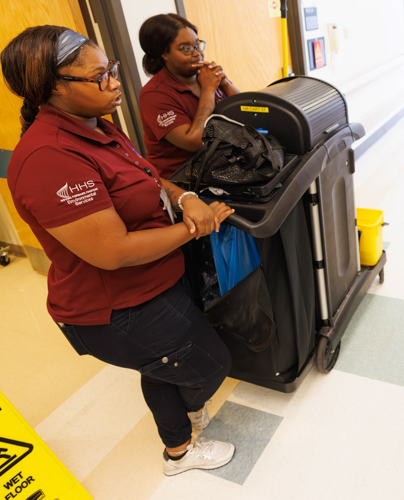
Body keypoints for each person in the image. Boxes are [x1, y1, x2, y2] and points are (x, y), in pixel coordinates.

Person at [2, 26, 238, 476]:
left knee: (164, 366)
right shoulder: (49, 157)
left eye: (110, 68)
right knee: (209, 365)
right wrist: (195, 227)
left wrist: (184, 197)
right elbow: (113, 252)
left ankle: (178, 446)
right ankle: (183, 448)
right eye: (99, 77)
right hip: (117, 306)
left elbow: (146, 176)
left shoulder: (98, 126)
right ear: (52, 88)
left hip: (155, 280)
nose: (114, 82)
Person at [138, 13, 241, 177]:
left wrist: (225, 83)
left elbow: (247, 112)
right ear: (163, 53)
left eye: (197, 45)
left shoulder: (205, 76)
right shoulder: (154, 94)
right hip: (184, 179)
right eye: (186, 49)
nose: (197, 53)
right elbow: (195, 142)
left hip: (222, 165)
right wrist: (208, 90)